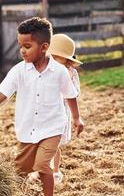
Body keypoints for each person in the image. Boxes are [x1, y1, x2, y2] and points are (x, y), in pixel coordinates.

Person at [0, 17, 84, 196]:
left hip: (53, 127)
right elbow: (3, 91)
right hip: (27, 130)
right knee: (21, 170)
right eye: (20, 46)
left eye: (27, 46)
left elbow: (70, 95)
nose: (22, 51)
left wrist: (76, 118)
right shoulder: (18, 71)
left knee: (43, 165)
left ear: (44, 47)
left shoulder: (59, 72)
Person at [48, 34, 83, 184]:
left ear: (67, 60)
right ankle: (41, 170)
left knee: (54, 144)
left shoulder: (71, 73)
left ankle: (55, 172)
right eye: (51, 57)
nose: (53, 61)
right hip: (44, 112)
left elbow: (74, 94)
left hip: (60, 113)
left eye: (58, 58)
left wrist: (76, 117)